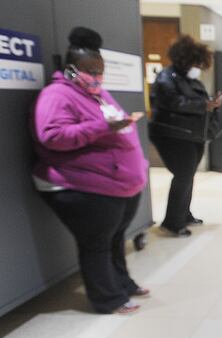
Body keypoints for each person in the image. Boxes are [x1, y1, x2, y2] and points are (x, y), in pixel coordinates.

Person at [31, 27, 149, 314]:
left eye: (100, 71)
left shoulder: (97, 94)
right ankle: (107, 298)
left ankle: (123, 284)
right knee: (96, 243)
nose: (96, 76)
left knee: (115, 238)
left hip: (117, 184)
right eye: (90, 71)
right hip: (84, 185)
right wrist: (104, 127)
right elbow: (52, 135)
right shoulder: (56, 95)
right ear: (71, 69)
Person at [149, 35, 222, 237]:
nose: (197, 67)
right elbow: (173, 102)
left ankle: (184, 214)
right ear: (184, 59)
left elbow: (199, 102)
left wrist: (211, 104)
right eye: (195, 63)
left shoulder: (191, 81)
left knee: (188, 176)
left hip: (193, 135)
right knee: (183, 175)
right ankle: (172, 222)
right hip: (173, 136)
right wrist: (204, 105)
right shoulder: (166, 77)